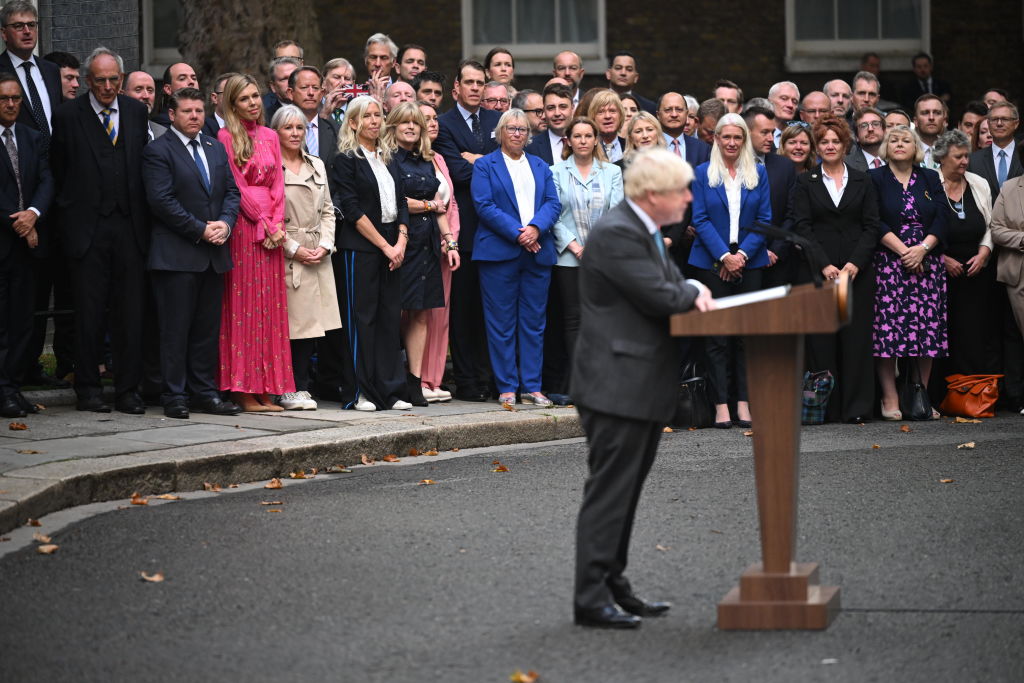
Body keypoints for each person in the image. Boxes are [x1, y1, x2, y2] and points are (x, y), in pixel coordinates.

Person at [572, 148, 714, 629]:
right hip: (616, 384)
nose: (689, 199)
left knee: (626, 492)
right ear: (654, 195)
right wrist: (694, 290)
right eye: (683, 191)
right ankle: (590, 597)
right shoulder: (617, 233)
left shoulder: (643, 229)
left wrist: (687, 288)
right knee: (610, 492)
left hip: (638, 383)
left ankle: (615, 585)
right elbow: (662, 296)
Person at [50, 47, 149, 414]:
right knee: (88, 313)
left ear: (122, 80)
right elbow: (59, 169)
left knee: (130, 312)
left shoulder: (137, 112)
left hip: (130, 228)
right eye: (100, 81)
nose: (107, 87)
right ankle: (88, 388)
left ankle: (128, 390)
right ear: (88, 81)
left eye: (114, 80)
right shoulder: (67, 116)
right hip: (87, 229)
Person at [141, 87, 241, 419]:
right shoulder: (158, 150)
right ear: (172, 114)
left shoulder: (214, 147)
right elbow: (162, 202)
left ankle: (204, 392)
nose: (195, 116)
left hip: (213, 256)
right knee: (175, 330)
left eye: (199, 111)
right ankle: (174, 395)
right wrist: (201, 228)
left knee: (206, 330)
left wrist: (225, 225)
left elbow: (230, 192)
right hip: (177, 257)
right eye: (187, 111)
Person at [792, 115, 880, 423]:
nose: (830, 146)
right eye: (824, 141)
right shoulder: (805, 182)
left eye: (835, 141)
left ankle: (857, 409)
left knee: (856, 340)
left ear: (845, 145)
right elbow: (802, 227)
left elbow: (871, 226)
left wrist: (855, 263)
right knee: (823, 340)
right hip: (819, 273)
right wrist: (825, 265)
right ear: (817, 146)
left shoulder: (863, 179)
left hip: (858, 272)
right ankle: (826, 408)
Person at [471, 108, 561, 408]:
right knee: (501, 323)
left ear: (529, 134)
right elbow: (483, 205)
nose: (517, 133)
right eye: (511, 128)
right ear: (500, 132)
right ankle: (507, 386)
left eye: (522, 129)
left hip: (537, 253)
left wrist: (535, 229)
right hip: (499, 254)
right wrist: (518, 233)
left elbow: (552, 202)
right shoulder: (485, 165)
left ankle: (532, 387)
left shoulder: (540, 165)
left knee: (534, 323)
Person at [216, 73, 294, 412]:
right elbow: (235, 187)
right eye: (244, 98)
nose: (252, 102)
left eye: (255, 96)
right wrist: (263, 223)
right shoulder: (224, 136)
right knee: (243, 307)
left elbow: (278, 184)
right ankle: (242, 388)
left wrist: (277, 224)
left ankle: (267, 386)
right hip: (246, 230)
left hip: (273, 230)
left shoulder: (271, 136)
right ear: (232, 104)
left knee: (270, 310)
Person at [330, 95, 412, 412]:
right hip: (362, 246)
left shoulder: (388, 157)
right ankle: (359, 391)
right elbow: (351, 209)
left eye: (378, 115)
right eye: (367, 116)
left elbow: (402, 203)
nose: (375, 121)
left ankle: (390, 390)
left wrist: (401, 241)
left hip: (393, 244)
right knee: (360, 319)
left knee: (389, 318)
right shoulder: (346, 159)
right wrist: (385, 245)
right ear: (353, 122)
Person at [689, 113, 771, 428]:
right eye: (727, 137)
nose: (732, 143)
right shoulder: (701, 173)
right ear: (717, 139)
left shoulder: (758, 173)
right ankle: (721, 404)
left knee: (746, 337)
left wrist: (741, 257)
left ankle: (744, 403)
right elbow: (700, 219)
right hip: (711, 263)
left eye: (738, 137)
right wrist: (725, 256)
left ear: (744, 141)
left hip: (750, 263)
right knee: (717, 337)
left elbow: (764, 219)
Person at [870, 124, 948, 420]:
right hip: (890, 265)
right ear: (885, 147)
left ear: (916, 148)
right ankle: (890, 397)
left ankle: (920, 395)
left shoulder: (929, 177)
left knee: (926, 332)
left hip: (927, 265)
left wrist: (923, 249)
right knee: (888, 333)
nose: (900, 144)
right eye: (894, 140)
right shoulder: (875, 178)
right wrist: (905, 251)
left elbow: (942, 216)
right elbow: (874, 220)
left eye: (906, 140)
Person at [432, 60, 500, 402]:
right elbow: (456, 173)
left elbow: (507, 169)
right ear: (456, 87)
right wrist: (486, 163)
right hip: (465, 231)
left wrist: (476, 159)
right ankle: (469, 382)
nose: (475, 88)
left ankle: (493, 380)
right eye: (469, 82)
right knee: (463, 312)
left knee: (494, 312)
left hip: (500, 231)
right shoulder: (443, 125)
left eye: (480, 83)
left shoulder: (498, 120)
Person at [383, 102, 459, 406]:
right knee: (395, 313)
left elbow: (438, 206)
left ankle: (415, 382)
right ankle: (393, 379)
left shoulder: (427, 161)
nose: (412, 127)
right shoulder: (387, 159)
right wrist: (428, 206)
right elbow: (398, 200)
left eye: (416, 123)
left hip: (427, 244)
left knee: (421, 314)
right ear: (393, 127)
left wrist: (450, 242)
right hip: (401, 242)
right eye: (405, 123)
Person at [270, 105, 340, 411]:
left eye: (300, 127)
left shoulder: (317, 164)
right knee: (290, 326)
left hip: (318, 251)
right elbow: (268, 217)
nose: (295, 133)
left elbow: (328, 210)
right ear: (276, 132)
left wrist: (325, 244)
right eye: (288, 128)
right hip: (287, 251)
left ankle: (302, 386)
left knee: (313, 325)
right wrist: (294, 249)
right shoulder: (271, 167)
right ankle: (287, 387)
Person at [551, 116, 624, 402]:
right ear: (568, 140)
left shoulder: (612, 173)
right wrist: (575, 246)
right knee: (572, 320)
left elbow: (617, 212)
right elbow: (553, 213)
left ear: (596, 140)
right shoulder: (555, 171)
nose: (583, 141)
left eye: (588, 136)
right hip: (568, 258)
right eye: (577, 136)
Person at [0, 72, 52, 417]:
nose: (10, 105)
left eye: (16, 98)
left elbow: (48, 179)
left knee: (23, 321)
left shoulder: (32, 138)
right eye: (4, 99)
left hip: (27, 246)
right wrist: (19, 222)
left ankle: (13, 387)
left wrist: (33, 213)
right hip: (4, 240)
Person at [933, 130, 1000, 386]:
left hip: (976, 273)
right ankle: (940, 393)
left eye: (966, 156)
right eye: (958, 157)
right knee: (942, 331)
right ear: (942, 157)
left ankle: (973, 391)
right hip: (939, 273)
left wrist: (984, 252)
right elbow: (920, 227)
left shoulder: (979, 183)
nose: (964, 161)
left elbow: (992, 224)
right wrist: (941, 259)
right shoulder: (929, 183)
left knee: (974, 332)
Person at [417, 100, 460, 403]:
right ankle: (416, 377)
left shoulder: (440, 159)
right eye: (426, 118)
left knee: (441, 316)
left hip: (445, 246)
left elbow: (451, 203)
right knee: (418, 315)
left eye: (435, 118)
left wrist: (451, 240)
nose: (433, 123)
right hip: (419, 244)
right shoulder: (406, 159)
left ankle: (434, 379)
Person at [743, 105, 798, 287]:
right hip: (740, 260)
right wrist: (750, 251)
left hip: (777, 261)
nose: (770, 138)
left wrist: (775, 250)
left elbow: (791, 213)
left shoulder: (785, 166)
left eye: (772, 132)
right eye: (764, 132)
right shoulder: (732, 165)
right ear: (747, 132)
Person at [0, 1, 61, 144]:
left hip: (55, 160)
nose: (27, 31)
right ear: (4, 33)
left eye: (32, 25)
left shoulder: (51, 70)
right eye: (18, 26)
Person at [990, 173, 1024, 415]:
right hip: (1018, 273)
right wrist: (1022, 238)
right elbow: (996, 229)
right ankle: (1017, 396)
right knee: (1016, 334)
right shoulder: (1010, 188)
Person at [968, 101, 1022, 200]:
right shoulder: (973, 161)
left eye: (1005, 119)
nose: (999, 123)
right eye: (994, 119)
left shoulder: (1022, 153)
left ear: (1016, 123)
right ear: (988, 123)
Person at [286, 65, 337, 167]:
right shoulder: (279, 131)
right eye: (304, 88)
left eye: (315, 88)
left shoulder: (335, 129)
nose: (311, 93)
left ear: (322, 93)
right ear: (290, 93)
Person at [658, 92, 711, 168]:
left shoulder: (702, 149)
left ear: (686, 113)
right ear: (658, 115)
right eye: (668, 110)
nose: (674, 115)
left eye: (679, 110)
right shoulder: (650, 145)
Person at [525, 83, 572, 165]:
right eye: (551, 108)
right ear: (544, 111)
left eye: (563, 107)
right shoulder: (530, 148)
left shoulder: (586, 142)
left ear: (572, 108)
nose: (557, 113)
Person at [152, 62, 198, 126]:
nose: (191, 82)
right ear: (168, 89)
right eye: (182, 79)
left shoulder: (209, 124)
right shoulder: (159, 126)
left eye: (194, 78)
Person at [122, 71, 166, 140]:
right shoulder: (113, 132)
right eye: (138, 90)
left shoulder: (164, 134)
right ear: (122, 94)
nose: (146, 96)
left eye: (150, 90)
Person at [587, 90, 625, 163]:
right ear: (593, 117)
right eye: (601, 112)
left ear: (620, 115)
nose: (607, 116)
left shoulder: (631, 148)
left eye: (612, 111)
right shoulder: (586, 148)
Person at [845, 107, 887, 171]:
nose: (870, 129)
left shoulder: (896, 160)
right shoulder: (847, 165)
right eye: (863, 126)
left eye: (875, 124)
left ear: (884, 131)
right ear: (857, 136)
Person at [913, 94, 948, 169]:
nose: (931, 117)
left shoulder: (953, 152)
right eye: (925, 113)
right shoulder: (906, 151)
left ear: (944, 121)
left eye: (937, 113)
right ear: (915, 121)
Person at [262, 56, 300, 124]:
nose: (290, 82)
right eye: (284, 79)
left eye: (294, 77)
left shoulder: (316, 110)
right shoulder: (265, 119)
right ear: (273, 86)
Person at [321, 58, 357, 125]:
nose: (343, 83)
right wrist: (324, 114)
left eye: (347, 79)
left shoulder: (358, 110)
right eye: (336, 77)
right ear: (323, 83)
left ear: (353, 84)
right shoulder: (311, 109)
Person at [364, 32, 398, 102]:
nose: (377, 64)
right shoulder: (353, 93)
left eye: (384, 58)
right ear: (365, 60)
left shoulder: (403, 94)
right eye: (373, 57)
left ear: (393, 62)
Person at [202, 72, 236, 138]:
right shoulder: (202, 128)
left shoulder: (252, 127)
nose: (234, 97)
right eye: (229, 93)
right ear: (215, 98)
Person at [768, 81, 800, 147]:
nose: (790, 105)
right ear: (769, 101)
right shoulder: (755, 134)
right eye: (784, 98)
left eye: (794, 102)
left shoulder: (801, 137)